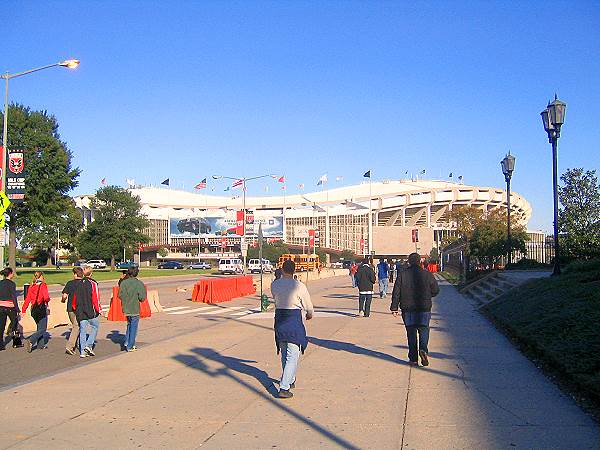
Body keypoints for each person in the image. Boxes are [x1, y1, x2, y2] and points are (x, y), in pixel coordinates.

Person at [271, 259, 313, 399]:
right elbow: (308, 306)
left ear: (282, 270)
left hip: (280, 319)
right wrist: (309, 314)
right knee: (293, 355)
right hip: (293, 319)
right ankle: (284, 387)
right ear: (294, 270)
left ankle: (290, 378)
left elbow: (276, 297)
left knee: (284, 352)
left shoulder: (275, 285)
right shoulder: (299, 286)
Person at [390, 252, 440, 366]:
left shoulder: (402, 275)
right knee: (424, 329)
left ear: (409, 262)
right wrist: (428, 295)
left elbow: (396, 292)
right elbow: (436, 290)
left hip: (408, 308)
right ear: (419, 262)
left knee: (411, 332)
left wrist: (394, 307)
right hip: (424, 307)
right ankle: (423, 350)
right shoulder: (427, 274)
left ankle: (413, 358)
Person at [74, 266, 102, 358]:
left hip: (80, 310)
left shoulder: (78, 284)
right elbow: (95, 298)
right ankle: (88, 345)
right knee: (95, 326)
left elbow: (75, 298)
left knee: (83, 329)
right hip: (90, 310)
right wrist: (99, 310)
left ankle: (82, 351)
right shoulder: (93, 283)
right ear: (91, 273)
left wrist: (75, 308)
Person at [118, 266, 147, 352]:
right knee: (133, 327)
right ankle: (130, 345)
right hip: (134, 307)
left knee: (129, 324)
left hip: (126, 307)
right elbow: (142, 297)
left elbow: (120, 295)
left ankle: (127, 341)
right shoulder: (139, 284)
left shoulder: (123, 283)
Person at [21, 272, 51, 352]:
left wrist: (23, 310)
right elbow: (46, 297)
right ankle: (31, 339)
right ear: (41, 277)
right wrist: (47, 300)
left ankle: (40, 345)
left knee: (39, 326)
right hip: (41, 308)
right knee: (43, 329)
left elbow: (27, 299)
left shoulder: (31, 286)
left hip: (33, 309)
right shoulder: (43, 285)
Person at [62, 267, 84, 355]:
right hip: (80, 308)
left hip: (70, 308)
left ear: (75, 274)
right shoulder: (83, 283)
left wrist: (63, 300)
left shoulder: (70, 283)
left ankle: (78, 343)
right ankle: (70, 346)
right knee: (77, 327)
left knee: (76, 326)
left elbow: (64, 295)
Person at [0, 268, 21, 350]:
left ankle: (1, 345)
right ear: (10, 274)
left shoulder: (0, 283)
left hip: (1, 306)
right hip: (10, 307)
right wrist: (17, 309)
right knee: (15, 323)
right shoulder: (12, 284)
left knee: (1, 326)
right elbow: (13, 296)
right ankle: (16, 343)